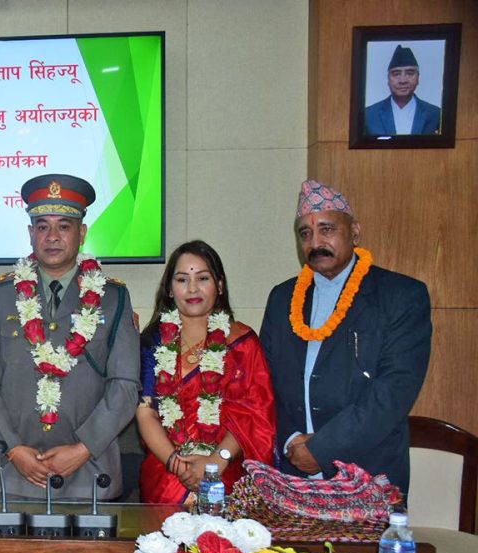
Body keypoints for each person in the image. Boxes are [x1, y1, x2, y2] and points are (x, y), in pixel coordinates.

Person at [0, 174, 140, 500]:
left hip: (89, 473)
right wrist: (13, 450)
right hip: (14, 472)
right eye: (42, 226)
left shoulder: (113, 297)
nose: (52, 236)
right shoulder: (1, 295)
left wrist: (83, 448)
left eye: (64, 226)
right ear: (30, 233)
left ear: (82, 232)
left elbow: (125, 384)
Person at [260, 180, 431, 495]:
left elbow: (392, 393)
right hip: (290, 472)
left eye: (327, 229)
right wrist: (289, 440)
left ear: (354, 232)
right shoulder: (282, 298)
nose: (316, 242)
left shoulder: (400, 296)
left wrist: (322, 448)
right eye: (305, 233)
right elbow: (264, 383)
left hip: (367, 475)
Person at [136, 240, 276, 505]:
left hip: (227, 473)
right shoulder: (152, 343)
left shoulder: (242, 344)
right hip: (166, 474)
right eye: (181, 279)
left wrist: (216, 461)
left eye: (202, 278)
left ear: (219, 286)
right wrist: (178, 465)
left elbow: (255, 414)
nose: (192, 289)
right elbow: (146, 411)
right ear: (169, 289)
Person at [364, 45, 441, 136]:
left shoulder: (436, 114)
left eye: (409, 73)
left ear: (418, 78)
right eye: (396, 74)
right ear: (388, 79)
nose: (403, 80)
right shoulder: (368, 115)